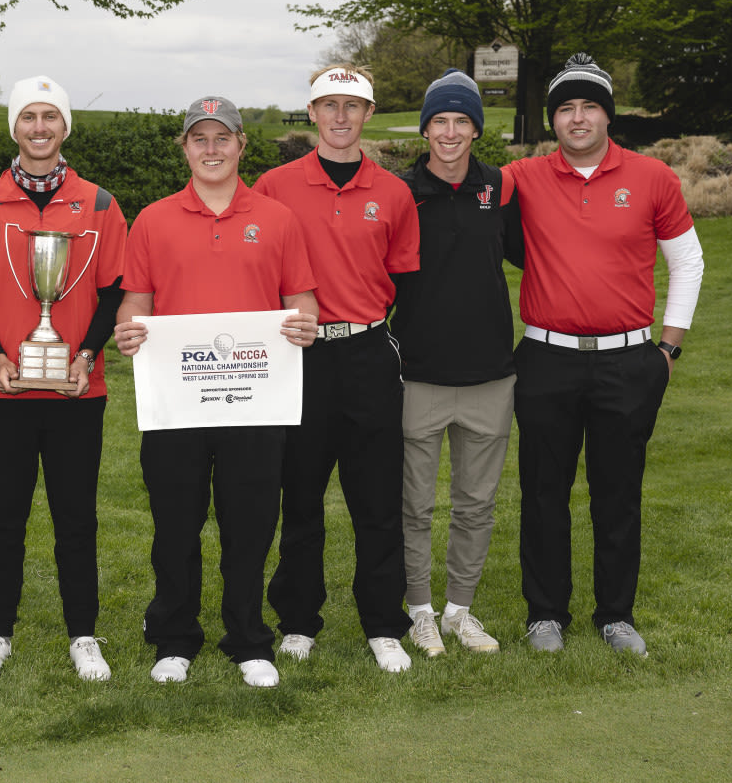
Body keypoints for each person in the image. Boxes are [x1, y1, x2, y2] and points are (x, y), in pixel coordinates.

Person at [113, 96, 319, 688]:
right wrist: (129, 327)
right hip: (177, 399)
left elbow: (300, 298)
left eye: (221, 138)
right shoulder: (153, 219)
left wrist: (305, 322)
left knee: (249, 523)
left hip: (254, 400)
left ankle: (249, 638)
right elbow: (137, 299)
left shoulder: (276, 218)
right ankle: (174, 638)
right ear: (184, 147)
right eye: (199, 138)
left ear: (240, 145)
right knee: (175, 523)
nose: (211, 148)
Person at [505, 53, 703, 656]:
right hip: (545, 358)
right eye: (565, 108)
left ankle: (616, 614)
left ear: (607, 114)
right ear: (553, 120)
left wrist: (668, 346)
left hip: (627, 360)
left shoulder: (653, 178)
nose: (578, 117)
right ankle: (546, 614)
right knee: (544, 491)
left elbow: (687, 262)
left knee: (617, 492)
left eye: (589, 105)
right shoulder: (524, 179)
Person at [0, 75, 126, 682]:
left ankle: (83, 634)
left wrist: (84, 356)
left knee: (76, 516)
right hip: (1, 389)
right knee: (4, 516)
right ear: (14, 127)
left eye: (49, 117)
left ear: (64, 128)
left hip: (77, 389)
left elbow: (113, 293)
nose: (38, 128)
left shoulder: (100, 203)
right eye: (28, 117)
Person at [254, 64, 421, 673]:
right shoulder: (274, 187)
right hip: (298, 355)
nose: (341, 117)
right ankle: (298, 618)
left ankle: (383, 622)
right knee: (299, 496)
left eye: (353, 106)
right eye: (330, 105)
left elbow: (402, 278)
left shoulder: (395, 192)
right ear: (313, 113)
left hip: (369, 353)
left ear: (368, 115)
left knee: (376, 498)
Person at [390, 69, 516, 657]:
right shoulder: (399, 193)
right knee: (413, 504)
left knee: (476, 503)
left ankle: (459, 610)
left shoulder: (500, 188)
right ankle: (419, 610)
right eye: (438, 120)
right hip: (418, 373)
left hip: (492, 374)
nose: (449, 132)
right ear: (425, 128)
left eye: (461, 120)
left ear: (475, 128)